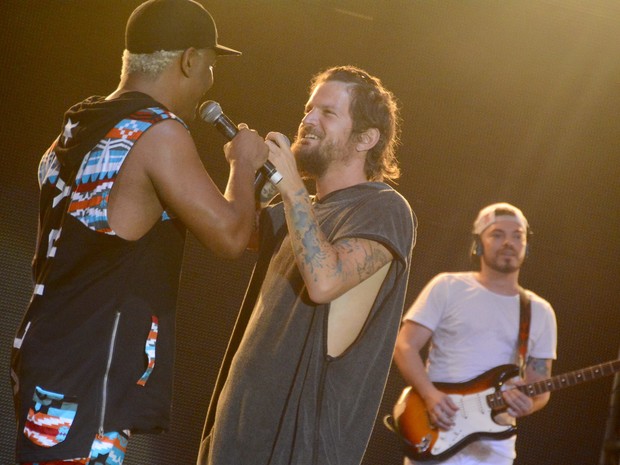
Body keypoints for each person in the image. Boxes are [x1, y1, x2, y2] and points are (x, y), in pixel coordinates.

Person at [10, 1, 268, 464]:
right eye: (209, 65)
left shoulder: (77, 128)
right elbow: (230, 236)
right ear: (189, 61)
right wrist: (242, 164)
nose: (210, 79)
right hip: (92, 375)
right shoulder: (158, 133)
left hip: (52, 359)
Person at [198, 66, 416, 465]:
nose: (308, 120)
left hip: (298, 449)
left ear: (367, 138)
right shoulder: (294, 215)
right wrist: (242, 167)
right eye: (308, 109)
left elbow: (325, 280)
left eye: (328, 113)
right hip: (236, 437)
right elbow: (229, 233)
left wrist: (291, 187)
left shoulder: (383, 208)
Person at [393, 202, 557, 465]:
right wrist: (430, 395)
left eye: (518, 236)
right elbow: (404, 346)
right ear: (478, 243)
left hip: (493, 451)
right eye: (497, 234)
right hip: (437, 428)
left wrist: (529, 405)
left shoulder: (540, 311)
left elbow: (540, 388)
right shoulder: (448, 286)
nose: (509, 242)